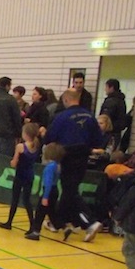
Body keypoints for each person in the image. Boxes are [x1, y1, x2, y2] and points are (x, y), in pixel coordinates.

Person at [45, 90, 106, 242]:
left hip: (68, 156)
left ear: (66, 100)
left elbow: (50, 137)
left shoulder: (62, 117)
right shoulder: (90, 116)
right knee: (69, 190)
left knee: (70, 191)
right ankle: (60, 221)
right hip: (83, 157)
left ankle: (90, 222)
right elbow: (98, 140)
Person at [0, 123, 41, 231]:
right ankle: (32, 224)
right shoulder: (36, 145)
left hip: (20, 175)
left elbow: (14, 163)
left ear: (25, 134)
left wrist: (12, 161)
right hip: (30, 175)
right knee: (27, 200)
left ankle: (9, 222)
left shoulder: (20, 146)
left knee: (15, 199)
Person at [25, 143, 64, 241]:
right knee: (52, 212)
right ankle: (64, 226)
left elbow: (48, 182)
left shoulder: (50, 167)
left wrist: (45, 197)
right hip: (54, 190)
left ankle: (36, 232)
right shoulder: (57, 165)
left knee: (40, 212)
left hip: (48, 191)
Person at [99, 79, 128, 143]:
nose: (105, 89)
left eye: (106, 87)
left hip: (109, 133)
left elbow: (105, 118)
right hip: (117, 133)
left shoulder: (110, 102)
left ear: (111, 88)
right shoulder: (121, 101)